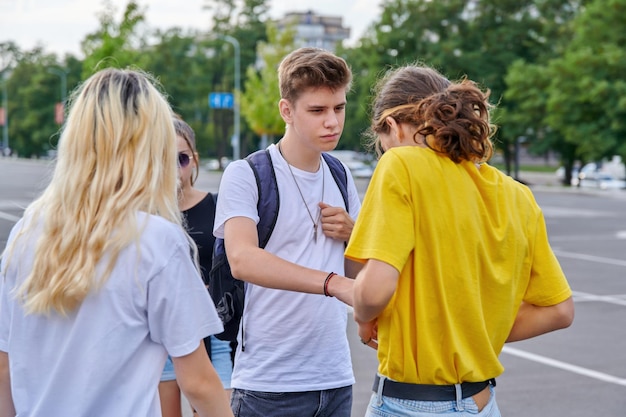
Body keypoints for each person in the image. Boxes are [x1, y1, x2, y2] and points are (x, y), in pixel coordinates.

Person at [0, 68, 233, 417]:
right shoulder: (156, 242)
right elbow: (199, 383)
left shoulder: (28, 230)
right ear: (148, 144)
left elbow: (5, 364)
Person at [345, 64, 575, 416]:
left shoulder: (401, 165)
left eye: (383, 145)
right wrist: (473, 334)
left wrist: (363, 316)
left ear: (391, 126)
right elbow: (559, 310)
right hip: (483, 403)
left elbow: (374, 291)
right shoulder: (517, 195)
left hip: (412, 404)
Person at [213, 47, 362, 416]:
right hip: (269, 384)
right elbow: (242, 259)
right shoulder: (246, 174)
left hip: (335, 377)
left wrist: (355, 233)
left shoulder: (341, 175)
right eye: (318, 110)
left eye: (339, 108)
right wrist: (332, 282)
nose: (332, 122)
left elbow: (358, 276)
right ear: (286, 111)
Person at [159, 115, 235, 417]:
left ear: (194, 160)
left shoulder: (218, 205)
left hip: (214, 331)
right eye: (165, 159)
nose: (175, 168)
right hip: (162, 334)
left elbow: (236, 266)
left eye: (182, 158)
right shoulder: (146, 216)